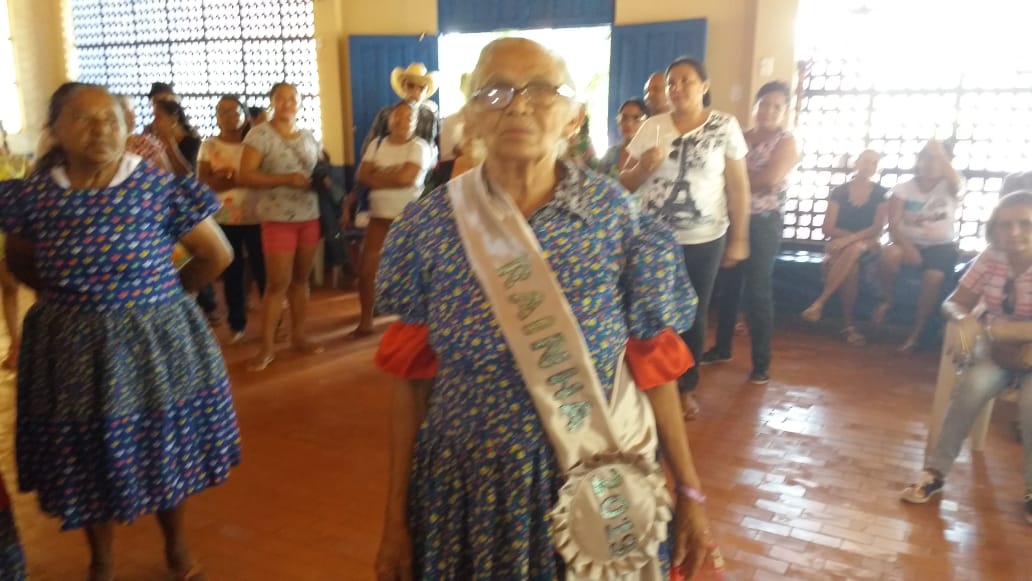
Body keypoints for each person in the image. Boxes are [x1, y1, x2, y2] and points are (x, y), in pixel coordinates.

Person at [373, 37, 719, 581]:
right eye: (496, 90)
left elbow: (655, 366)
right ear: (471, 116)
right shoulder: (426, 228)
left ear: (574, 116)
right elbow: (410, 382)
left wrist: (692, 492)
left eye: (541, 89)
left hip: (594, 477)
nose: (517, 105)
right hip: (468, 488)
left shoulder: (617, 220)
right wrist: (394, 519)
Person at [6, 82, 239, 581]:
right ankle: (102, 559)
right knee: (88, 451)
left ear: (128, 126)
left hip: (149, 347)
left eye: (110, 119)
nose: (100, 130)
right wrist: (64, 303)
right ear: (55, 131)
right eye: (84, 120)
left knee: (160, 443)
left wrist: (164, 300)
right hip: (70, 351)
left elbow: (216, 254)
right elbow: (20, 259)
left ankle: (175, 547)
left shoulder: (155, 188)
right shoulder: (36, 197)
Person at [620, 57, 751, 418]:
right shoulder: (652, 127)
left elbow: (738, 187)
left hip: (705, 237)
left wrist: (741, 238)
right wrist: (645, 165)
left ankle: (684, 388)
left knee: (692, 315)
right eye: (671, 83)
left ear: (704, 86)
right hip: (653, 239)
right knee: (651, 314)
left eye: (686, 81)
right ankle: (648, 384)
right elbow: (624, 182)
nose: (677, 88)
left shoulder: (725, 126)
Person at [901, 191, 1032, 524]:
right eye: (1005, 225)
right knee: (970, 388)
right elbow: (954, 301)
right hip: (997, 350)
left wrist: (1001, 331)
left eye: (1024, 224)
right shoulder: (991, 257)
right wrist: (963, 318)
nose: (1013, 232)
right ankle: (935, 472)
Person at [702, 81, 798, 384]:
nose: (768, 111)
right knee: (727, 287)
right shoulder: (739, 136)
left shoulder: (787, 141)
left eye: (776, 106)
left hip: (764, 222)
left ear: (784, 111)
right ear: (755, 106)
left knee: (758, 290)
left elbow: (770, 179)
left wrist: (737, 180)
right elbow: (722, 175)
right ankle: (722, 348)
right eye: (764, 104)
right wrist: (740, 181)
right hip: (730, 218)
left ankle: (761, 363)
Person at [239, 82, 323, 370]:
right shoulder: (259, 134)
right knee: (277, 284)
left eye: (293, 98)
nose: (287, 103)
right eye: (281, 98)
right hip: (277, 219)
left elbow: (318, 168)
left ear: (299, 102)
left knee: (301, 281)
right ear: (272, 101)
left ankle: (299, 337)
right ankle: (266, 348)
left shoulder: (309, 137)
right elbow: (245, 175)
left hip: (309, 215)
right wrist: (285, 179)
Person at [349, 102, 433, 337]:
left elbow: (407, 178)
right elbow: (362, 175)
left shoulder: (420, 146)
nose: (403, 121)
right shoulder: (376, 144)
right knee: (367, 272)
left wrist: (379, 173)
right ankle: (366, 321)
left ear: (416, 124)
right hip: (379, 219)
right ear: (389, 120)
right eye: (398, 117)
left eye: (409, 118)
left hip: (409, 222)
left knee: (411, 275)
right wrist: (392, 174)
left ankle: (412, 326)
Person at [873, 139, 963, 352]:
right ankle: (887, 300)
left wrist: (939, 151)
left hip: (941, 246)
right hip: (908, 241)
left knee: (934, 277)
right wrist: (908, 246)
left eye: (937, 160)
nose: (931, 164)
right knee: (889, 254)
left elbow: (957, 184)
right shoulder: (903, 188)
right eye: (926, 158)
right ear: (918, 161)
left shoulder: (950, 186)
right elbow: (893, 224)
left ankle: (917, 331)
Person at [801, 150, 889, 346]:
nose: (869, 166)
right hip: (843, 246)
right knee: (851, 269)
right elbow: (828, 227)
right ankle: (849, 327)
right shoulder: (840, 191)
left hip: (869, 245)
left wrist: (848, 240)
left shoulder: (882, 193)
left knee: (855, 248)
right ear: (856, 163)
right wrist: (848, 241)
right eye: (866, 161)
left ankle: (820, 302)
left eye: (874, 163)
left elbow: (877, 228)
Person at [198, 95, 265, 343]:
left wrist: (228, 179)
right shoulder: (209, 146)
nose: (228, 117)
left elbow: (264, 174)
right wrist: (241, 178)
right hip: (225, 218)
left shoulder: (255, 144)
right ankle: (237, 324)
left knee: (264, 272)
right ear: (216, 116)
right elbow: (204, 183)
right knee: (232, 273)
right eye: (222, 112)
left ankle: (274, 322)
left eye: (233, 111)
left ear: (243, 115)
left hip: (258, 214)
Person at [115, 95, 172, 171]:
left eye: (132, 111)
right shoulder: (104, 149)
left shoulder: (148, 145)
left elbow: (166, 177)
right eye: (125, 111)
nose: (132, 116)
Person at [597, 98, 648, 179]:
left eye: (636, 118)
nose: (629, 124)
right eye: (624, 118)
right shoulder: (610, 155)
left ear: (646, 123)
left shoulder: (649, 155)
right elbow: (597, 182)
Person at [151, 100, 202, 177]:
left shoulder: (193, 143)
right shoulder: (157, 143)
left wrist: (170, 145)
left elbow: (189, 177)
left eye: (158, 117)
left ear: (173, 120)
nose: (154, 123)